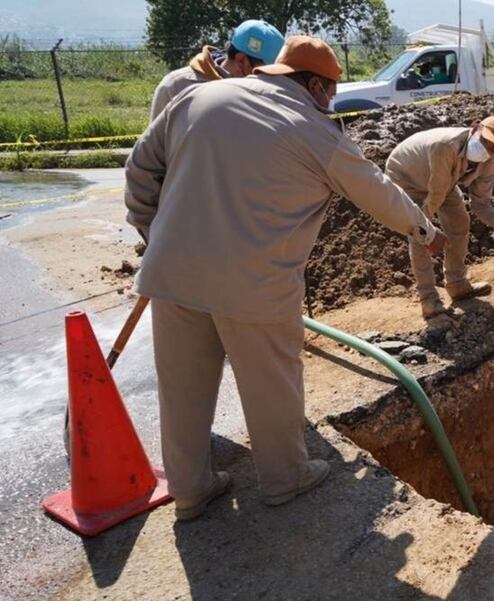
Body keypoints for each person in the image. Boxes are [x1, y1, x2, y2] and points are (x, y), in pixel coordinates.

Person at [125, 36, 447, 520]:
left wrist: (157, 236)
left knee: (182, 389)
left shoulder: (199, 96)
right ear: (315, 85)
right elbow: (376, 191)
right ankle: (284, 478)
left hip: (171, 275)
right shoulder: (315, 132)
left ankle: (189, 491)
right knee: (271, 383)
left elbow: (140, 168)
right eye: (331, 93)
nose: (331, 103)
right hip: (255, 285)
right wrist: (423, 229)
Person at [384, 117, 494, 319]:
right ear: (476, 128)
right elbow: (436, 195)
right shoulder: (446, 146)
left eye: (493, 148)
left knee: (460, 222)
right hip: (407, 176)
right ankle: (429, 300)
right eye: (485, 141)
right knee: (419, 233)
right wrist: (426, 229)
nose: (486, 149)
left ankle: (457, 285)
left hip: (441, 181)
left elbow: (480, 203)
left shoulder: (488, 161)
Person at [149, 19, 284, 120]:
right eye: (264, 69)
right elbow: (155, 149)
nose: (269, 77)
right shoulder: (176, 86)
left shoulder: (269, 93)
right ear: (241, 60)